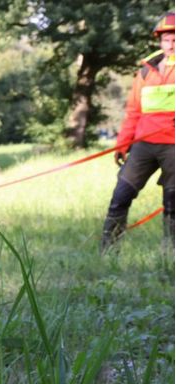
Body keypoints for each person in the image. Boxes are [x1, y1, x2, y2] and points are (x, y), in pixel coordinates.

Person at [101, 11, 175, 251]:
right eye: (166, 39)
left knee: (173, 203)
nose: (170, 44)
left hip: (173, 147)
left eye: (175, 39)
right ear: (159, 41)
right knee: (121, 195)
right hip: (144, 145)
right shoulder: (145, 71)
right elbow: (133, 111)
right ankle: (108, 252)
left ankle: (171, 256)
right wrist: (123, 144)